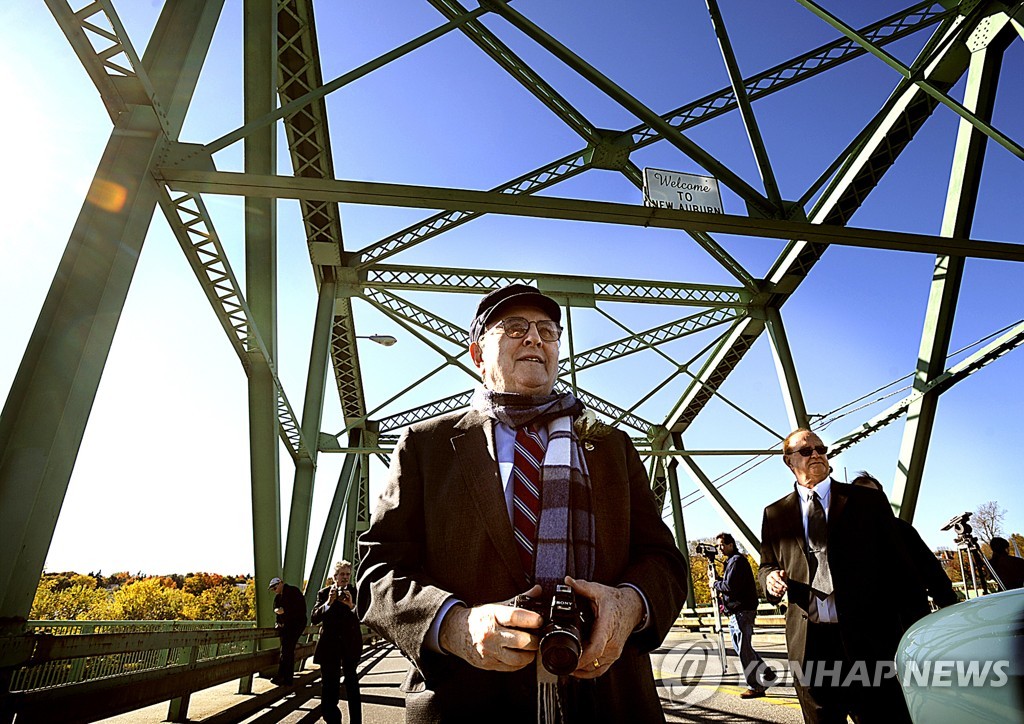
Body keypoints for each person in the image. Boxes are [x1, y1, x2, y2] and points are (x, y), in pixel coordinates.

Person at [357, 283, 688, 723]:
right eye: (514, 328)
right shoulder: (426, 445)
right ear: (477, 355)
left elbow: (662, 559)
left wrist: (629, 604)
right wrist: (455, 626)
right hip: (468, 702)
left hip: (610, 700)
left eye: (548, 332)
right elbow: (378, 572)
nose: (535, 339)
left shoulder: (610, 446)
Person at [758, 429, 925, 724]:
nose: (817, 454)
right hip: (810, 645)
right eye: (807, 451)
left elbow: (903, 571)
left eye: (821, 448)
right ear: (788, 462)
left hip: (868, 642)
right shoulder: (774, 514)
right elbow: (766, 565)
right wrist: (770, 578)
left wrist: (916, 636)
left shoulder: (865, 502)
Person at [851, 472, 958, 611]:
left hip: (908, 613)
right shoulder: (844, 535)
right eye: (859, 495)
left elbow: (929, 567)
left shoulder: (902, 530)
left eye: (871, 495)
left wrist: (949, 604)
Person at [711, 532, 775, 699]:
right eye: (718, 546)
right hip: (738, 611)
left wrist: (715, 583)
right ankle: (766, 672)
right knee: (743, 648)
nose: (719, 549)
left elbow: (729, 586)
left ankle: (755, 686)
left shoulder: (737, 561)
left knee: (743, 650)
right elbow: (730, 585)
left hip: (742, 612)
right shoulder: (732, 562)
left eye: (722, 545)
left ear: (731, 544)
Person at [312, 561, 364, 724]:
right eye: (342, 574)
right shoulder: (324, 593)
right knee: (329, 688)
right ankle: (333, 721)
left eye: (348, 574)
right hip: (329, 647)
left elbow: (365, 618)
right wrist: (328, 603)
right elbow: (314, 618)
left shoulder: (355, 593)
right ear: (334, 577)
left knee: (352, 687)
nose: (345, 577)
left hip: (350, 646)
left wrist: (351, 606)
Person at [269, 576, 307, 685]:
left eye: (275, 587)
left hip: (296, 624)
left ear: (281, 583)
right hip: (288, 626)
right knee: (287, 649)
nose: (274, 590)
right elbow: (277, 612)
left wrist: (284, 611)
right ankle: (286, 677)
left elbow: (300, 609)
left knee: (287, 649)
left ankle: (285, 677)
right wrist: (278, 621)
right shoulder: (278, 598)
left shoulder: (293, 591)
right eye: (272, 589)